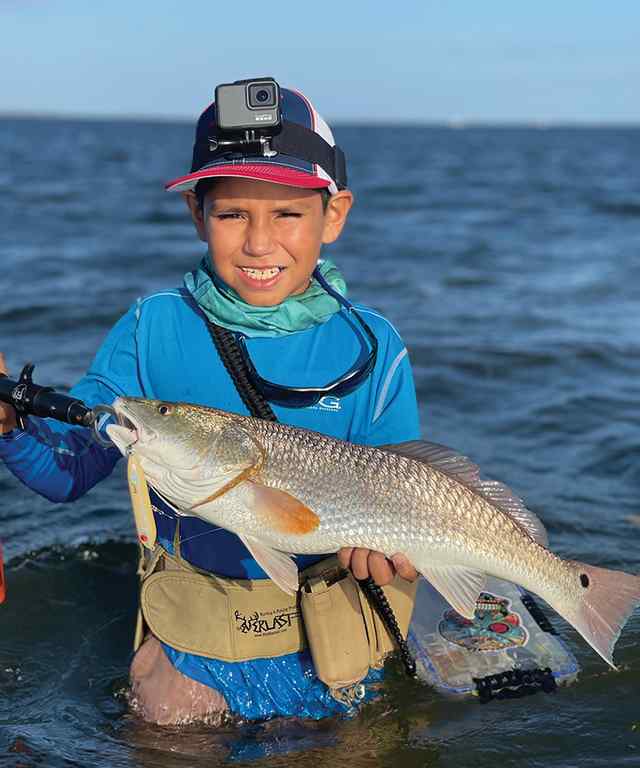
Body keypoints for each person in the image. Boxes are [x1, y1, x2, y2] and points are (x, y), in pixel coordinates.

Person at [0, 81, 421, 725]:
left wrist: (388, 553)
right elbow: (68, 471)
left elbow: (405, 489)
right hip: (196, 628)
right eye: (232, 215)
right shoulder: (152, 328)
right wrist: (10, 425)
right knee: (168, 759)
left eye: (287, 214)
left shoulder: (376, 344)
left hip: (330, 632)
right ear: (197, 214)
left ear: (333, 216)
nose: (258, 243)